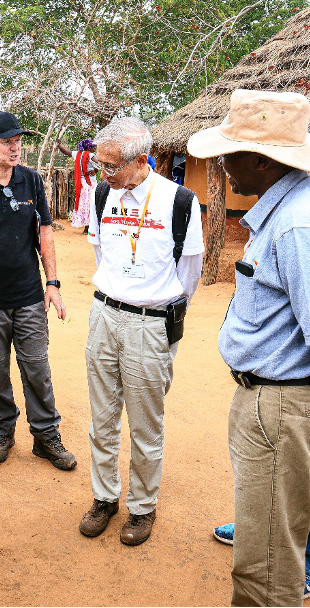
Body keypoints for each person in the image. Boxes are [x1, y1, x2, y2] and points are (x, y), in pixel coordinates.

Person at [187, 89, 310, 607]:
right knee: (271, 541)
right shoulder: (294, 208)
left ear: (265, 160)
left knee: (265, 569)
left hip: (284, 407)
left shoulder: (298, 223)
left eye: (231, 152)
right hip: (278, 402)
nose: (222, 164)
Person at [78, 117, 204, 547]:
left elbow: (189, 275)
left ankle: (143, 507)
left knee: (145, 425)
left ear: (142, 161)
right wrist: (118, 294)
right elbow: (101, 253)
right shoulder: (101, 194)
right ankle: (104, 498)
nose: (103, 174)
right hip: (104, 316)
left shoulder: (180, 202)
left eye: (111, 167)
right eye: (100, 165)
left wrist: (153, 306)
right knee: (102, 418)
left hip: (150, 325)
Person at [0, 111, 77, 470]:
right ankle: (4, 430)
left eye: (18, 140)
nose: (15, 147)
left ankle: (45, 435)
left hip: (28, 296)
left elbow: (45, 232)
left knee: (37, 367)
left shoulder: (31, 181)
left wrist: (51, 283)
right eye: (7, 141)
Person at [57, 138, 99, 232]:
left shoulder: (78, 154)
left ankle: (86, 227)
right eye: (93, 146)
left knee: (83, 204)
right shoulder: (91, 155)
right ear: (89, 147)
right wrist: (95, 170)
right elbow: (100, 164)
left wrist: (58, 144)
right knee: (91, 204)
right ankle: (88, 227)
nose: (94, 148)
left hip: (82, 185)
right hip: (90, 184)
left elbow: (66, 152)